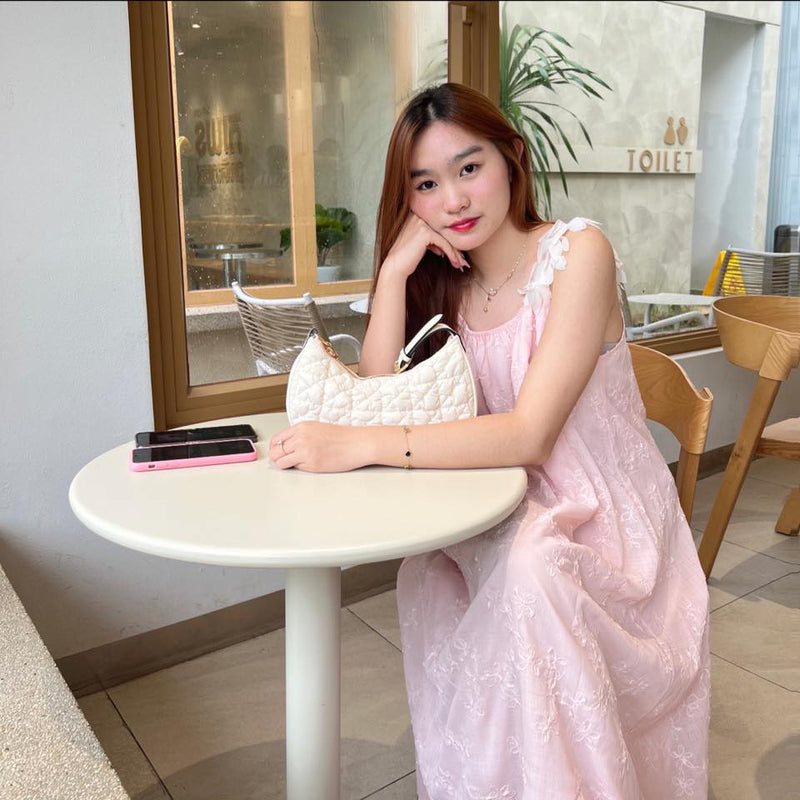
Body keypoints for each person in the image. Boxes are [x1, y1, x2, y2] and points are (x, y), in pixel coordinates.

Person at [269, 83, 710, 799]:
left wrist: (361, 444)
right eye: (427, 184)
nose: (455, 200)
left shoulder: (578, 253)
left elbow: (531, 435)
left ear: (512, 159)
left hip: (597, 518)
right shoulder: (446, 281)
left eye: (469, 168)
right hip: (486, 508)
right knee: (428, 573)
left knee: (533, 571)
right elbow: (379, 389)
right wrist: (393, 273)